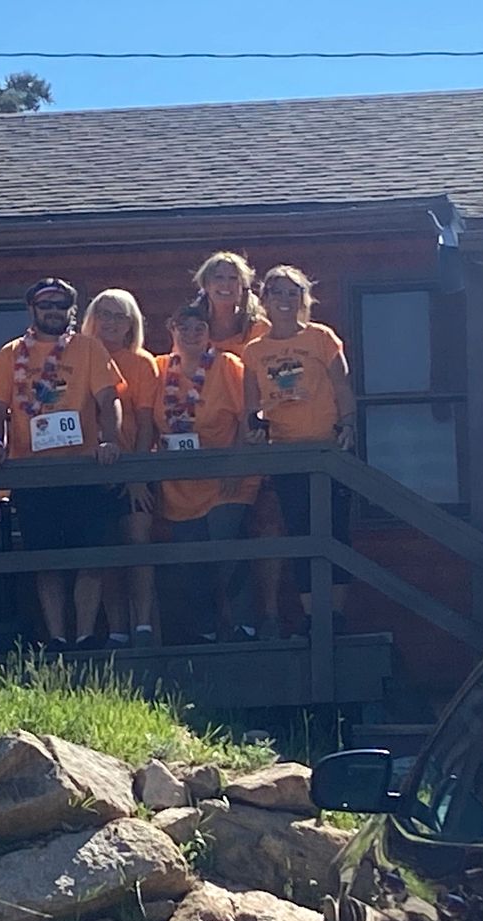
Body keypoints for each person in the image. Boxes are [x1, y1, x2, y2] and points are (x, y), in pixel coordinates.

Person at [0, 277, 124, 649]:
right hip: (34, 475)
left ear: (70, 311)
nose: (54, 311)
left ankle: (86, 635)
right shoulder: (11, 354)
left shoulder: (88, 349)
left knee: (90, 560)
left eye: (61, 305)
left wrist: (110, 440)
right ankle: (59, 637)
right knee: (46, 563)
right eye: (47, 305)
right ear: (33, 310)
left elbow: (109, 400)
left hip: (82, 470)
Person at [244, 265, 357, 634]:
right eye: (277, 292)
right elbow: (251, 405)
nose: (285, 299)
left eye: (293, 292)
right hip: (286, 451)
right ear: (265, 300)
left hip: (326, 448)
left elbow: (341, 386)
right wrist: (255, 429)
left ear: (304, 299)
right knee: (301, 531)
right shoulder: (256, 350)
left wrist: (349, 424)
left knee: (336, 531)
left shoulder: (321, 338)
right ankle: (312, 618)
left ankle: (336, 617)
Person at [151, 305, 260, 642]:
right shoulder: (157, 369)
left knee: (227, 552)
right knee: (191, 563)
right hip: (180, 486)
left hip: (227, 481)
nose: (193, 333)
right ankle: (206, 631)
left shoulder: (227, 366)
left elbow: (249, 418)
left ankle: (244, 626)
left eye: (200, 326)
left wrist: (237, 467)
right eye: (185, 326)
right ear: (171, 328)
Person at [188, 250, 283, 639]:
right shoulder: (194, 327)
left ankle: (268, 617)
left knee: (267, 529)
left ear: (245, 287)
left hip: (260, 439)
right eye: (218, 278)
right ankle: (225, 622)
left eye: (233, 278)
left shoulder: (259, 330)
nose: (225, 285)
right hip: (211, 447)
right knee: (219, 537)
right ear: (205, 285)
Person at [81, 288, 158, 647]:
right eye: (105, 314)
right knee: (105, 549)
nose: (111, 323)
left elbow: (146, 423)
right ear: (92, 320)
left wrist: (138, 474)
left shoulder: (142, 363)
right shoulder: (79, 357)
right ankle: (117, 629)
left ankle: (143, 626)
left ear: (132, 324)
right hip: (89, 469)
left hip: (131, 465)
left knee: (139, 545)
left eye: (119, 316)